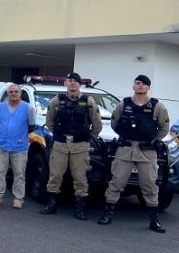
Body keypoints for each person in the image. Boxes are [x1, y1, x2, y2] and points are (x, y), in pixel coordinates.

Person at [98, 75, 170, 233]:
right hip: (126, 148)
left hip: (147, 150)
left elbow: (164, 128)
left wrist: (153, 140)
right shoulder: (123, 104)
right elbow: (115, 123)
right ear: (133, 86)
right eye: (137, 83)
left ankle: (154, 220)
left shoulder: (157, 107)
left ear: (148, 88)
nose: (140, 86)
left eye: (144, 84)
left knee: (149, 185)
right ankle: (108, 214)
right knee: (116, 182)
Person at [41, 73, 103, 220]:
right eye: (70, 81)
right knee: (55, 175)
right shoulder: (57, 101)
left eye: (75, 81)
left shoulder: (88, 102)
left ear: (79, 84)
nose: (72, 83)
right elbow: (49, 121)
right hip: (60, 144)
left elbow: (97, 124)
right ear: (65, 84)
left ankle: (79, 207)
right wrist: (59, 134)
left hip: (80, 145)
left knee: (80, 177)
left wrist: (89, 139)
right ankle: (52, 204)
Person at [0, 84, 35, 209]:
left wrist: (20, 135)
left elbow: (31, 126)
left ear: (20, 93)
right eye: (11, 92)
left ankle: (18, 199)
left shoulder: (28, 108)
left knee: (19, 174)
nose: (13, 94)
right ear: (7, 93)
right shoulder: (0, 107)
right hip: (2, 144)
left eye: (16, 91)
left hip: (19, 146)